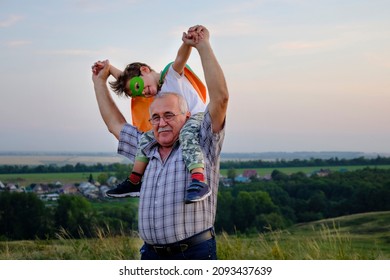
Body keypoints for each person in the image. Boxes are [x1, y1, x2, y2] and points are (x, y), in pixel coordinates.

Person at [92, 25, 228, 260]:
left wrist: (201, 45)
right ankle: (133, 181)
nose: (161, 122)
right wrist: (99, 81)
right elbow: (115, 124)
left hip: (192, 254)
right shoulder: (149, 145)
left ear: (184, 116)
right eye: (155, 117)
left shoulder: (201, 139)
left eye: (169, 115)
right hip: (151, 255)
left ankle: (198, 183)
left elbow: (221, 98)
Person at [92, 31, 209, 204]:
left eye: (142, 87)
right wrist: (108, 70)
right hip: (178, 124)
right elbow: (132, 82)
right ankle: (135, 180)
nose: (145, 93)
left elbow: (179, 59)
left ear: (145, 69)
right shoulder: (157, 93)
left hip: (196, 119)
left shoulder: (171, 77)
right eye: (140, 93)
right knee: (147, 138)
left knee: (187, 135)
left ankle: (199, 179)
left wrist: (187, 43)